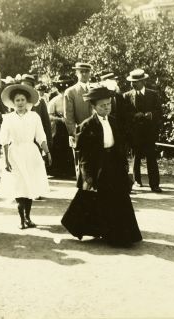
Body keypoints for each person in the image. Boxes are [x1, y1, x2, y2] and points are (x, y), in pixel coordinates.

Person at [62, 86, 142, 246]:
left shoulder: (114, 121)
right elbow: (83, 153)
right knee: (99, 198)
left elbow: (120, 145)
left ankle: (122, 233)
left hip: (115, 164)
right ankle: (106, 232)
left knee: (119, 198)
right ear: (94, 107)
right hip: (98, 166)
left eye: (108, 105)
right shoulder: (87, 125)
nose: (106, 108)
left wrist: (126, 167)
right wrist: (87, 175)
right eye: (102, 106)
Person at [1, 83, 51, 229]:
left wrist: (47, 152)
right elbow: (4, 140)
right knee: (18, 186)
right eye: (17, 100)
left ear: (27, 101)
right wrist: (6, 160)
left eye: (23, 100)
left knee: (30, 185)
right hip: (15, 153)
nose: (20, 103)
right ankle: (21, 219)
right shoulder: (8, 118)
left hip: (31, 153)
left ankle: (28, 217)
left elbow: (41, 136)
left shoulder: (34, 116)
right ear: (13, 103)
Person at [123, 69, 163, 192]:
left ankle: (154, 184)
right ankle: (137, 181)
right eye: (131, 82)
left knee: (151, 158)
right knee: (136, 158)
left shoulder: (153, 94)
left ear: (143, 81)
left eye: (135, 82)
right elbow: (123, 114)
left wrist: (150, 114)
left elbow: (160, 112)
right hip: (135, 133)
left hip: (149, 133)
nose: (132, 84)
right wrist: (134, 116)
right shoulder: (127, 96)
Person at [64, 62, 94, 177]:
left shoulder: (95, 88)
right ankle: (83, 191)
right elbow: (69, 116)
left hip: (96, 131)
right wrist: (74, 133)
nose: (85, 74)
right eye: (81, 71)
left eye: (87, 71)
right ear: (76, 73)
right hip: (80, 132)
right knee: (81, 163)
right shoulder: (71, 92)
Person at [47, 75, 75, 177]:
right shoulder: (54, 100)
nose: (64, 92)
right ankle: (57, 170)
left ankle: (70, 171)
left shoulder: (72, 99)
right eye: (62, 90)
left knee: (70, 147)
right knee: (59, 148)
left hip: (70, 125)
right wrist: (60, 119)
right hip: (59, 128)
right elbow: (49, 116)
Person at [20, 74, 52, 149]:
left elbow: (46, 124)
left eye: (28, 85)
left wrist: (48, 145)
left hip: (36, 144)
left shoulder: (40, 103)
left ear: (32, 87)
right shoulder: (15, 103)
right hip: (20, 143)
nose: (25, 88)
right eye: (23, 86)